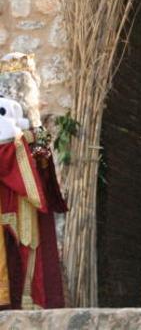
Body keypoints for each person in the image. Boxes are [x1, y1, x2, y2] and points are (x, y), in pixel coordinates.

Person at [0, 53, 67, 309]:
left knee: (28, 247)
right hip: (17, 194)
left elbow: (43, 162)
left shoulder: (34, 129)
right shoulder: (31, 131)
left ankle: (30, 302)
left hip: (23, 197)